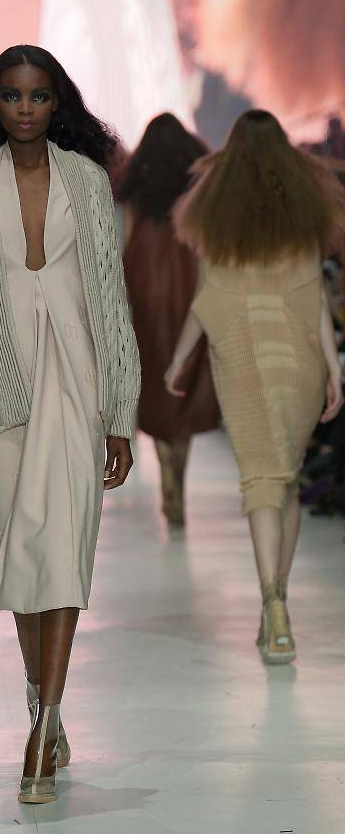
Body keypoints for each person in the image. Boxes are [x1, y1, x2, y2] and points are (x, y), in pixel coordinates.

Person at [0, 45, 141, 802]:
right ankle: (42, 698)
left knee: (63, 548)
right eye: (11, 96)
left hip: (77, 381)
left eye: (38, 96)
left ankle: (44, 727)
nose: (26, 109)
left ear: (57, 102)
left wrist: (121, 412)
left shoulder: (87, 180)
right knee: (21, 548)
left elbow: (109, 297)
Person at [165, 109, 345, 664]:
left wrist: (179, 361)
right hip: (298, 359)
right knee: (284, 479)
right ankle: (278, 604)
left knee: (260, 480)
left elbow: (208, 299)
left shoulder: (218, 221)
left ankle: (272, 602)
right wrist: (334, 368)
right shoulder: (303, 216)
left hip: (240, 355)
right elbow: (314, 296)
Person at [119, 114, 219, 525]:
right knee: (184, 389)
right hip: (190, 300)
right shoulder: (199, 196)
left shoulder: (133, 198)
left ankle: (166, 475)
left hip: (146, 302)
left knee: (155, 392)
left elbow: (120, 255)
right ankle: (178, 470)